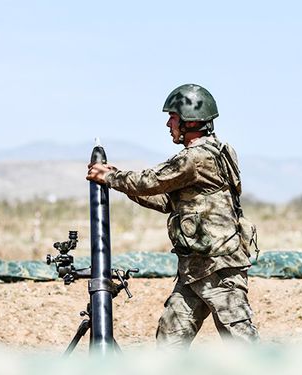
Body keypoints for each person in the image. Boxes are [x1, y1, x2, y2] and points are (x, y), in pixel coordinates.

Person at [86, 83, 259, 349]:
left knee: (244, 346)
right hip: (195, 269)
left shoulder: (195, 159)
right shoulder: (216, 153)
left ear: (189, 122)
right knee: (170, 340)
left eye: (174, 117)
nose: (169, 124)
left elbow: (150, 180)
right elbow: (166, 199)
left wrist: (109, 177)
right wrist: (119, 182)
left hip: (218, 268)